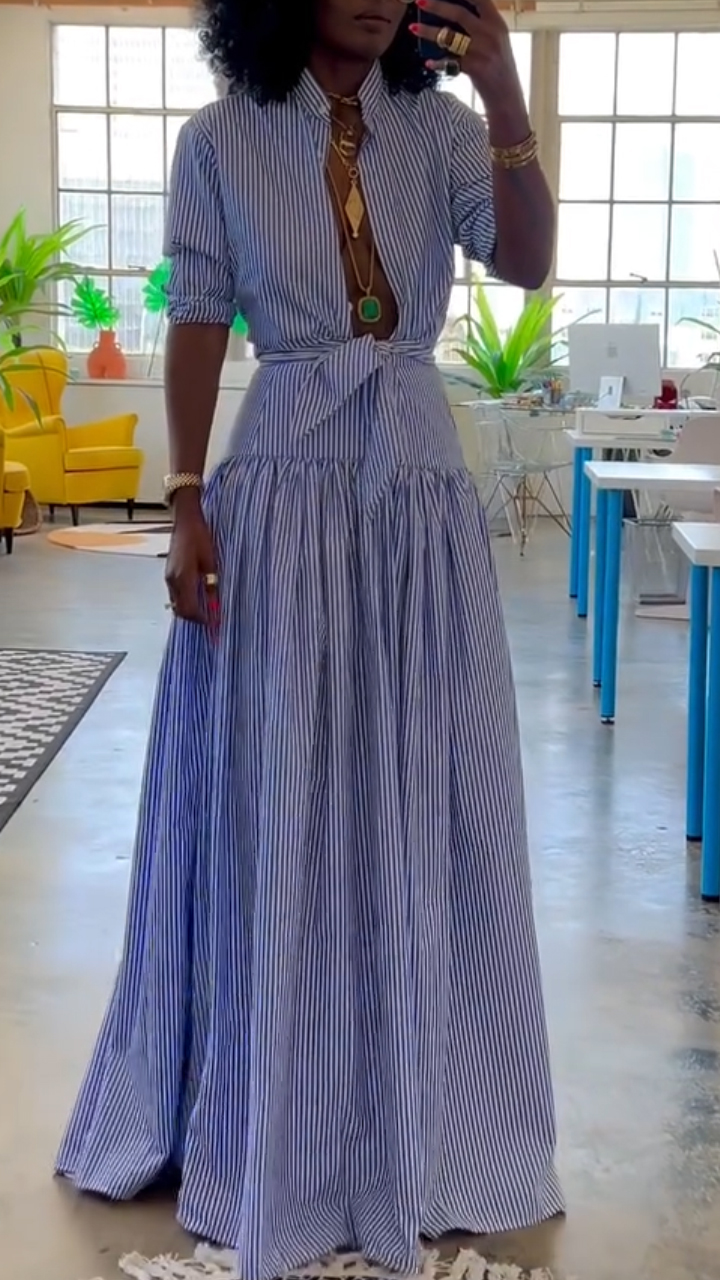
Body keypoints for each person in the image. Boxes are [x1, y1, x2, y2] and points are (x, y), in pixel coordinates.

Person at [56, 1, 564, 1276]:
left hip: (414, 493)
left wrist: (506, 96)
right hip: (279, 488)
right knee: (274, 790)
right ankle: (275, 1103)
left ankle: (420, 1107)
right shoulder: (220, 138)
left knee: (427, 785)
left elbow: (525, 262)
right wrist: (184, 501)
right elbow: (196, 317)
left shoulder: (442, 134)